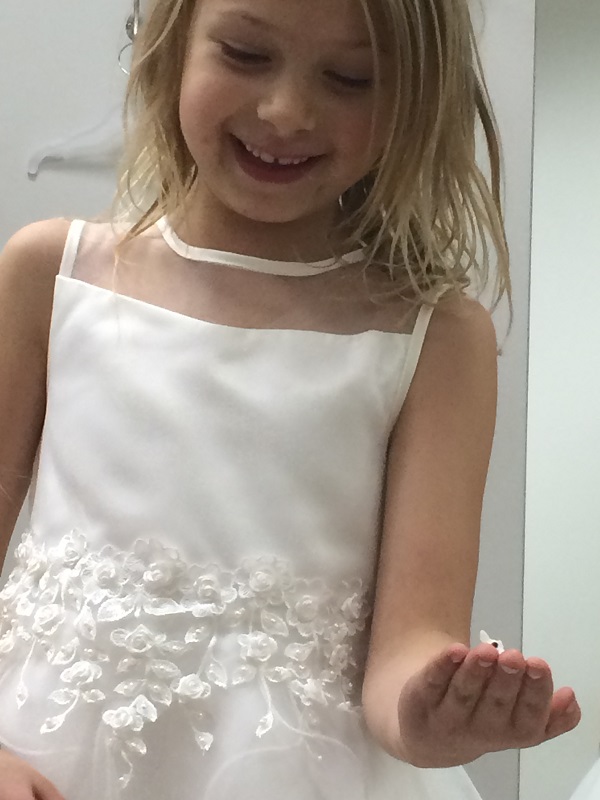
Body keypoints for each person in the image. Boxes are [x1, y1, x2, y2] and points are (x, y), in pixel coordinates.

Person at [0, 0, 581, 798]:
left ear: (414, 97)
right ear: (172, 45)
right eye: (245, 55)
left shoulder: (436, 336)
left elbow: (410, 642)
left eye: (351, 78)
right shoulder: (49, 274)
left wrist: (432, 714)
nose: (286, 112)